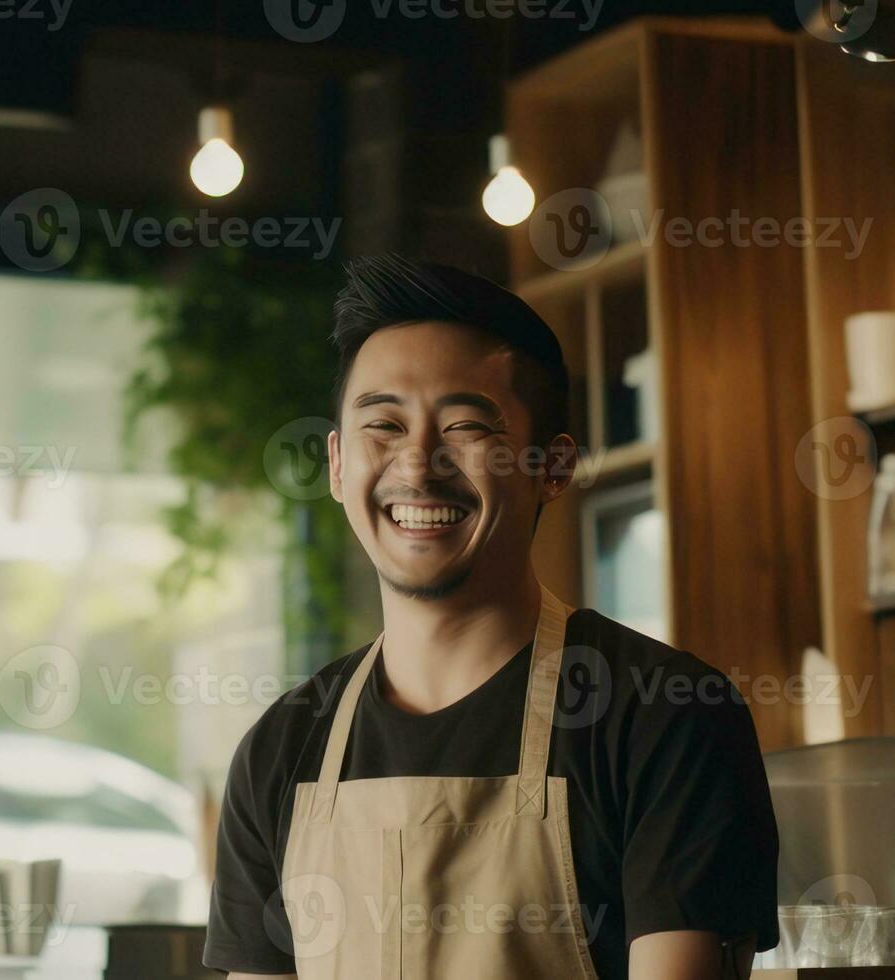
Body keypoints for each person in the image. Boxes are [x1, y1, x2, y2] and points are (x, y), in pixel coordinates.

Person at [204, 255, 779, 979]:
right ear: (336, 464)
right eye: (382, 424)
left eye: (466, 427)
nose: (416, 465)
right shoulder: (282, 748)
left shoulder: (663, 718)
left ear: (554, 466)